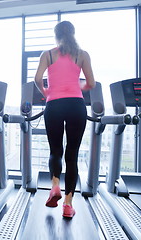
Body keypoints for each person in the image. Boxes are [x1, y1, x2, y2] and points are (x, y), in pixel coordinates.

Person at [34, 21, 95, 218]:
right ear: (73, 33)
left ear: (56, 35)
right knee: (72, 154)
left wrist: (46, 92)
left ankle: (54, 186)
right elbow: (91, 83)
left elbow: (37, 78)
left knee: (56, 151)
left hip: (54, 105)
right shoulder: (82, 54)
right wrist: (76, 89)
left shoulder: (48, 54)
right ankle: (68, 205)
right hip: (76, 105)